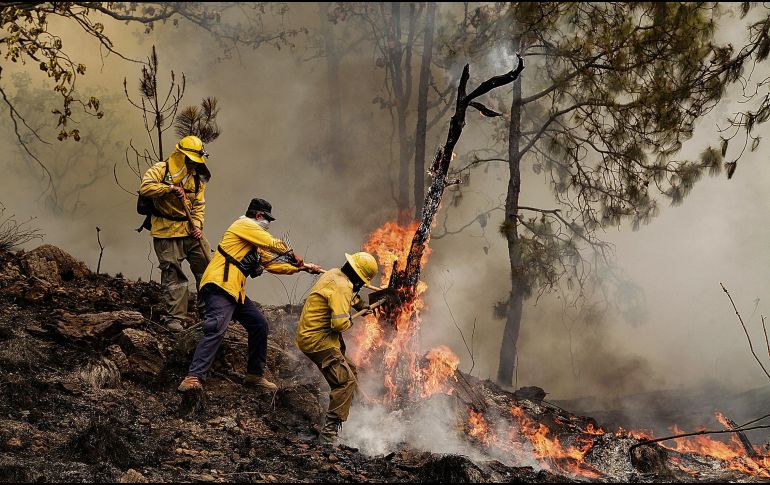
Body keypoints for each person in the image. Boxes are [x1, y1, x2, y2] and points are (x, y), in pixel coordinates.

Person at [178, 198, 323, 392]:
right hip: (220, 284)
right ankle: (193, 377)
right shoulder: (243, 225)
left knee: (259, 325)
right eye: (267, 220)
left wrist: (302, 269)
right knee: (216, 327)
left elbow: (271, 265)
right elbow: (272, 243)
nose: (268, 225)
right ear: (258, 216)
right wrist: (292, 253)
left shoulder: (254, 244)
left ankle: (254, 375)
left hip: (234, 291)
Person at [295, 251, 378, 444]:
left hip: (314, 335)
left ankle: (358, 418)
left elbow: (346, 295)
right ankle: (329, 434)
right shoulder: (342, 287)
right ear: (359, 277)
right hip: (318, 341)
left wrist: (360, 305)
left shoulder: (334, 274)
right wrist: (349, 319)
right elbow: (339, 324)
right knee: (345, 382)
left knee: (352, 371)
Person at [139, 135, 211, 332]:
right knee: (174, 275)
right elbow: (145, 186)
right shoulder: (162, 169)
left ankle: (210, 312)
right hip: (166, 230)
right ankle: (175, 319)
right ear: (180, 155)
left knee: (207, 269)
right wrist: (169, 189)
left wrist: (197, 225)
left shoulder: (197, 177)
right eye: (188, 159)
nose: (191, 163)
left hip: (190, 230)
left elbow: (199, 206)